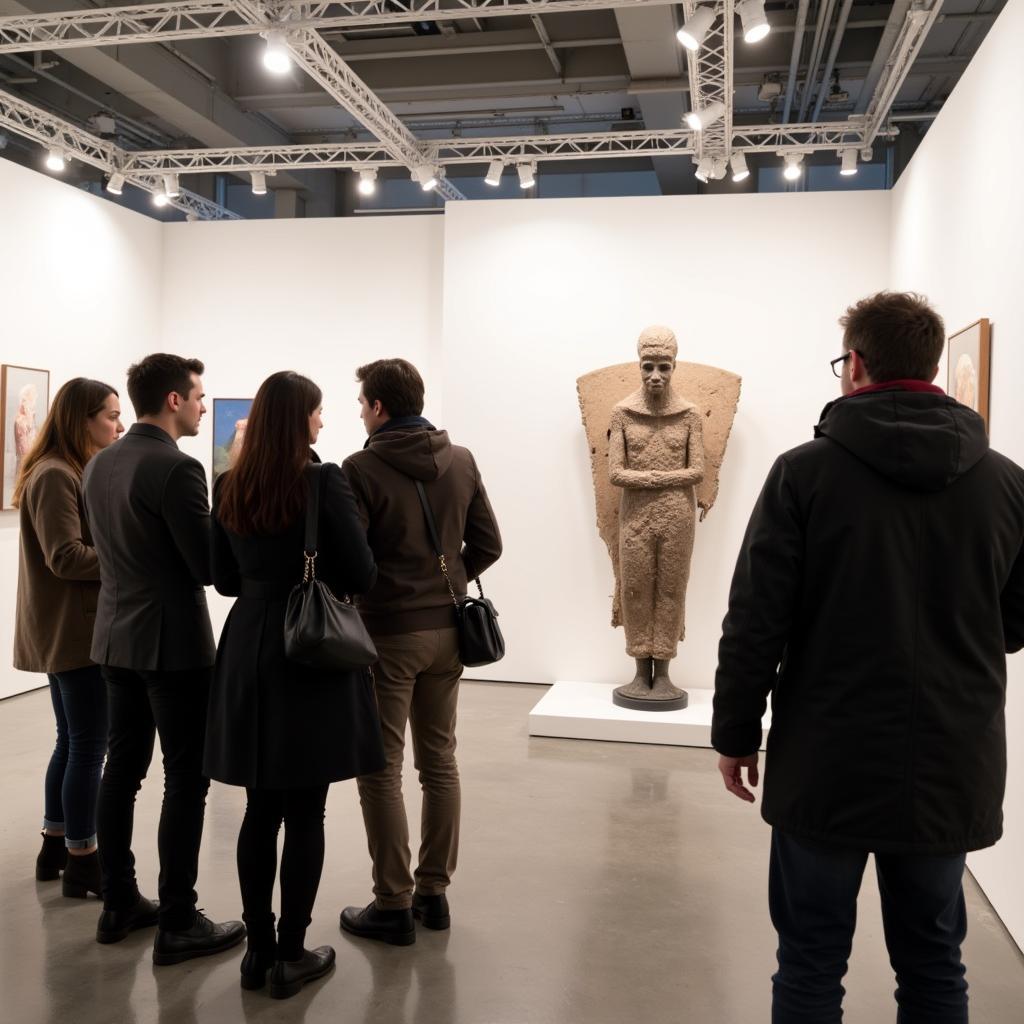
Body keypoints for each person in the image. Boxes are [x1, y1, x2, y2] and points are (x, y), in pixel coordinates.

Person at [711, 291, 1024, 1024]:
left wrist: (734, 734)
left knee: (812, 961)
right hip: (951, 756)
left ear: (854, 365)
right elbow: (1013, 623)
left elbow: (756, 620)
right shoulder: (1007, 483)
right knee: (936, 964)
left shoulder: (803, 474)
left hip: (827, 756)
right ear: (934, 363)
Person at [204, 371, 385, 999]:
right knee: (307, 807)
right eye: (315, 412)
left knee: (260, 805)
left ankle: (256, 951)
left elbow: (221, 576)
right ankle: (291, 951)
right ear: (297, 419)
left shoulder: (228, 484)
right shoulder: (321, 480)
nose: (322, 422)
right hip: (307, 649)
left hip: (249, 642)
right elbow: (361, 569)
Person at [82, 353, 244, 963]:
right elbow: (206, 565)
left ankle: (118, 901)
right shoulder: (176, 470)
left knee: (120, 770)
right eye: (199, 395)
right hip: (171, 646)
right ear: (174, 400)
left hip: (114, 639)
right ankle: (178, 917)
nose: (205, 405)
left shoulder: (99, 465)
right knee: (186, 779)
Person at [339, 358, 502, 945]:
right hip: (449, 633)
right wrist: (448, 584)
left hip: (387, 634)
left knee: (380, 767)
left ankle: (392, 902)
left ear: (379, 407)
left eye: (361, 404)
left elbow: (352, 559)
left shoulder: (359, 467)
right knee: (439, 761)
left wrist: (383, 589)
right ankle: (434, 895)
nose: (360, 413)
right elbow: (488, 542)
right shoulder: (460, 459)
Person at [13, 378, 124, 899]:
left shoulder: (61, 471)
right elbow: (66, 557)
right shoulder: (57, 475)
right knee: (88, 747)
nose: (118, 426)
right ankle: (84, 860)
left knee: (73, 741)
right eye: (109, 416)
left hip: (68, 629)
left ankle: (55, 846)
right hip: (75, 632)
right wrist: (130, 557)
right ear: (82, 420)